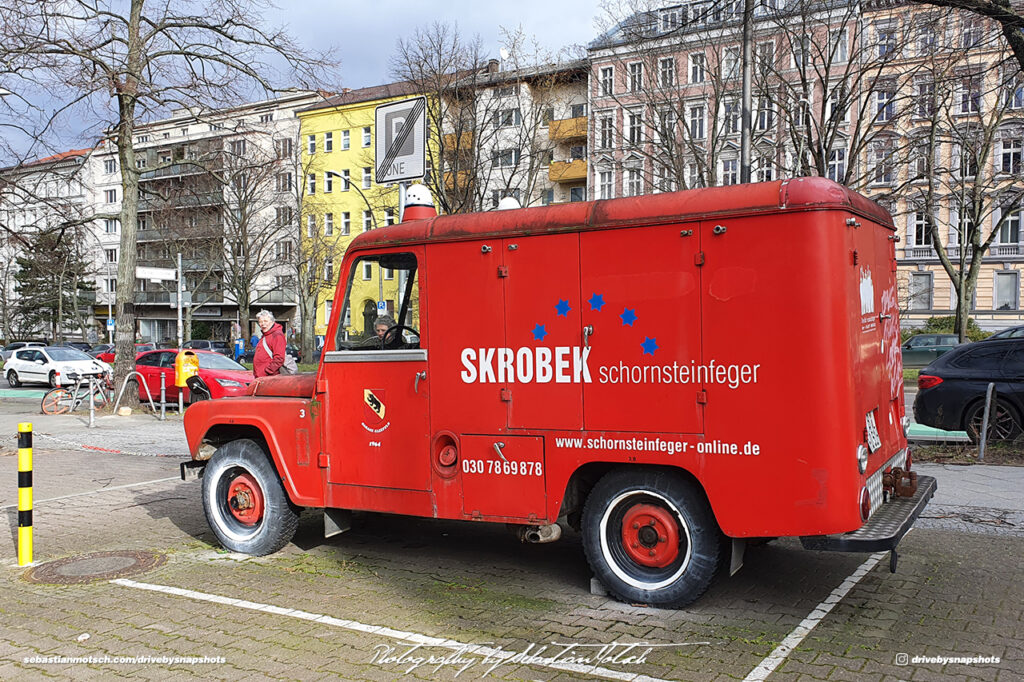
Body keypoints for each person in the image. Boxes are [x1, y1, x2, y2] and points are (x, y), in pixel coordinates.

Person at [253, 310, 286, 377]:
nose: (263, 324)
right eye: (260, 322)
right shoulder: (265, 335)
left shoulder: (277, 335)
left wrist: (268, 371)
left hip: (269, 378)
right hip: (262, 377)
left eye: (265, 321)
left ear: (272, 322)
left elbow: (279, 358)